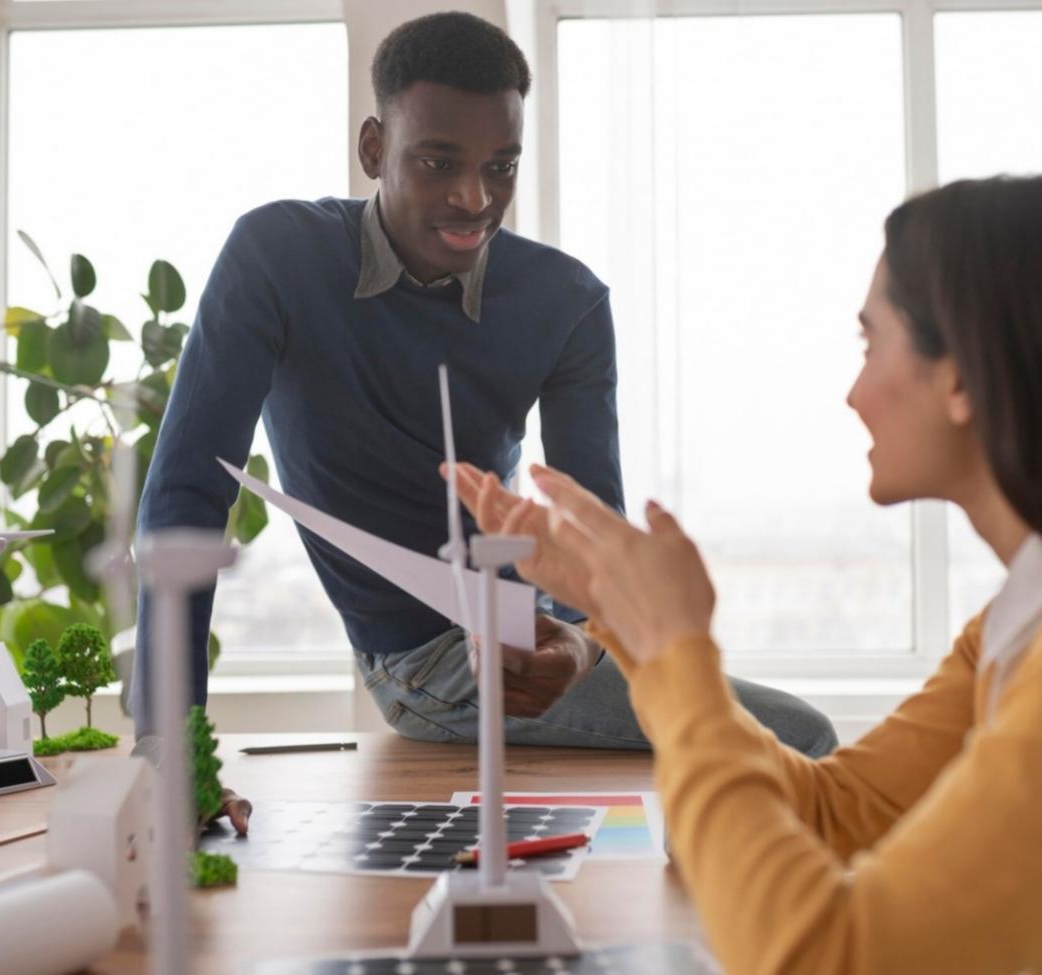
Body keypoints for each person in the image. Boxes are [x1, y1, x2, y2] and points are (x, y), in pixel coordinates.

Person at [447, 176, 1042, 973]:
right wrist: (628, 624)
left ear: (959, 375)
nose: (854, 391)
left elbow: (832, 958)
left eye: (870, 340)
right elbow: (833, 816)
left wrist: (677, 654)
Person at [131, 11, 835, 755]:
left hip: (530, 641)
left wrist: (573, 645)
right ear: (374, 148)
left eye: (500, 166)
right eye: (438, 163)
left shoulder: (568, 302)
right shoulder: (276, 257)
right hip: (424, 663)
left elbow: (585, 535)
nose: (475, 198)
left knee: (780, 738)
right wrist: (170, 758)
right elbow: (184, 500)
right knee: (800, 737)